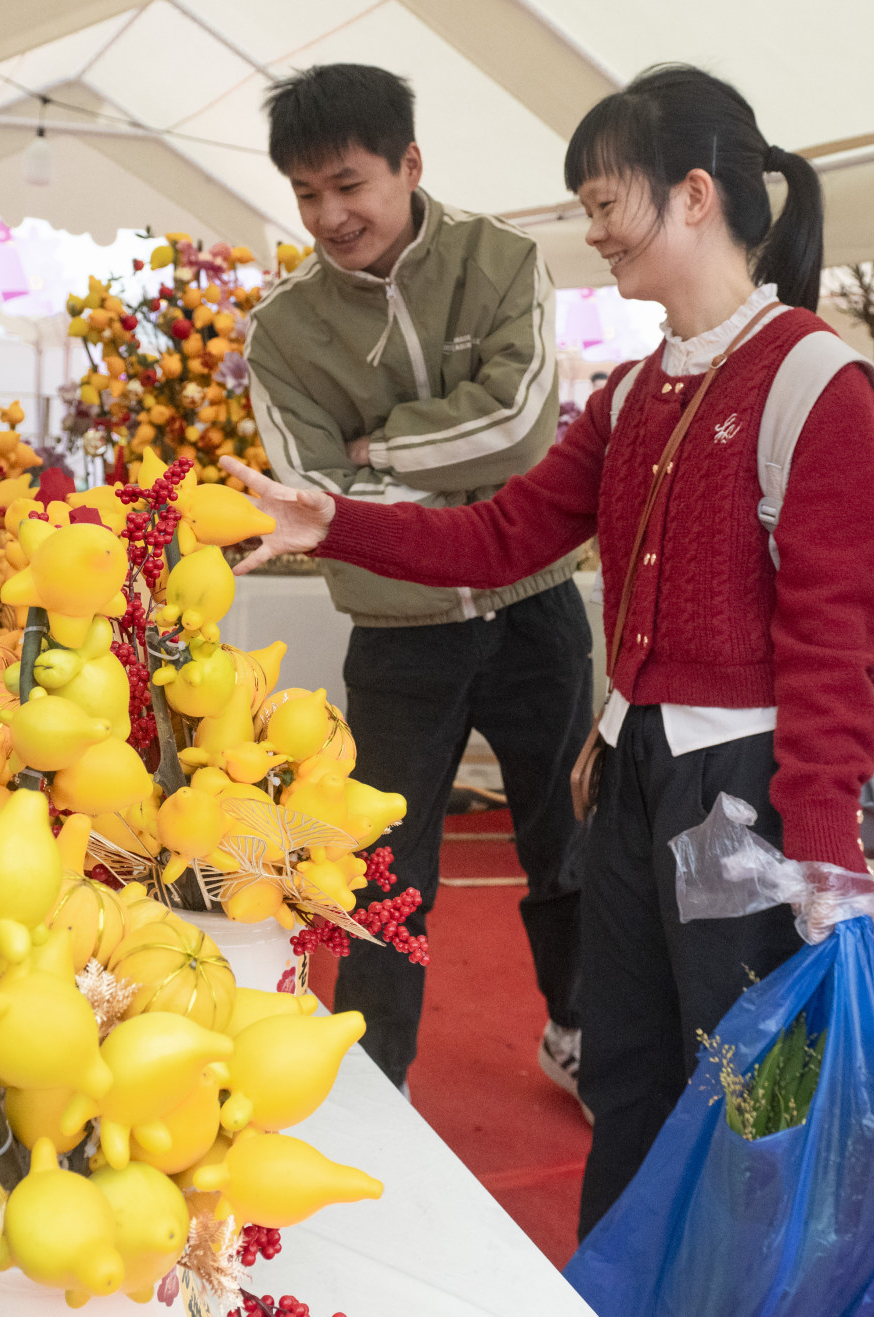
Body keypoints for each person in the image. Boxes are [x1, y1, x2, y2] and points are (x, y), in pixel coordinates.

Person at [225, 63, 874, 1239]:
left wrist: (827, 863)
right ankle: (615, 1280)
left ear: (694, 195)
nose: (590, 234)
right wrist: (332, 521)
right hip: (640, 773)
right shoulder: (637, 391)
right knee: (628, 1068)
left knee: (744, 1094)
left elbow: (832, 643)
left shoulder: (816, 381)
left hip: (744, 795)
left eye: (606, 203)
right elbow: (508, 531)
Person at [245, 64, 593, 1097]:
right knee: (382, 867)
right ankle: (372, 1079)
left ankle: (581, 1033)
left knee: (567, 841)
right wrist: (447, 487)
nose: (330, 214)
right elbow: (308, 495)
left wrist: (377, 457)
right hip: (398, 629)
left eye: (349, 184)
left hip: (535, 608)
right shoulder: (282, 333)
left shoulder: (502, 261)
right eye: (307, 194)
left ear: (410, 165)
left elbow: (522, 430)